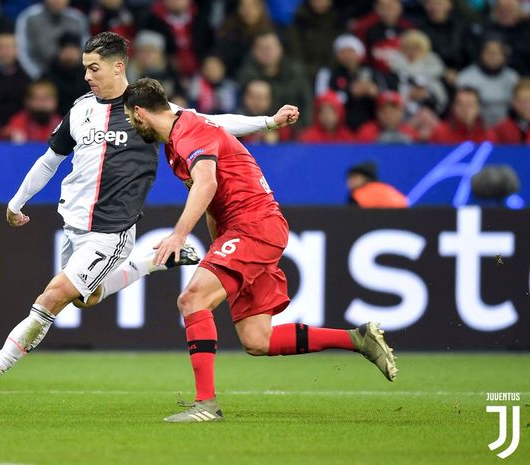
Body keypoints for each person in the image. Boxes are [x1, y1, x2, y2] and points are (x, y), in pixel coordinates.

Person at [0, 32, 300, 406]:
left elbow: (212, 122)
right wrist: (17, 201)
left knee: (52, 297)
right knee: (83, 300)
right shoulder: (81, 109)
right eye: (85, 68)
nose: (87, 75)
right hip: (73, 226)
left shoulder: (147, 112)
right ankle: (153, 262)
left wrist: (267, 121)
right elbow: (50, 160)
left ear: (118, 66)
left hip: (111, 231)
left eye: (94, 68)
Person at [122, 77, 398, 422]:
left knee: (191, 299)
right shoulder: (179, 139)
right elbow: (212, 202)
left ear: (140, 112)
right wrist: (217, 247)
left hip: (254, 225)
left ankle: (206, 405)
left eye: (131, 120)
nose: (132, 127)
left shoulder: (189, 132)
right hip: (247, 229)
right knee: (257, 339)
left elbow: (207, 184)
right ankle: (358, 339)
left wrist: (178, 235)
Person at [456, 37, 519, 127]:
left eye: (497, 53)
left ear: (504, 56)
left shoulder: (512, 78)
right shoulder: (466, 77)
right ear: (481, 54)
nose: (492, 56)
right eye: (489, 52)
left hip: (508, 126)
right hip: (475, 127)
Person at [429, 87, 495, 143]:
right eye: (460, 104)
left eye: (470, 105)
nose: (465, 109)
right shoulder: (440, 132)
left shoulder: (488, 135)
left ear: (478, 108)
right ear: (453, 107)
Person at [494, 79, 530, 144]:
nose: (526, 105)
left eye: (529, 100)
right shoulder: (502, 129)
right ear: (514, 102)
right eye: (521, 100)